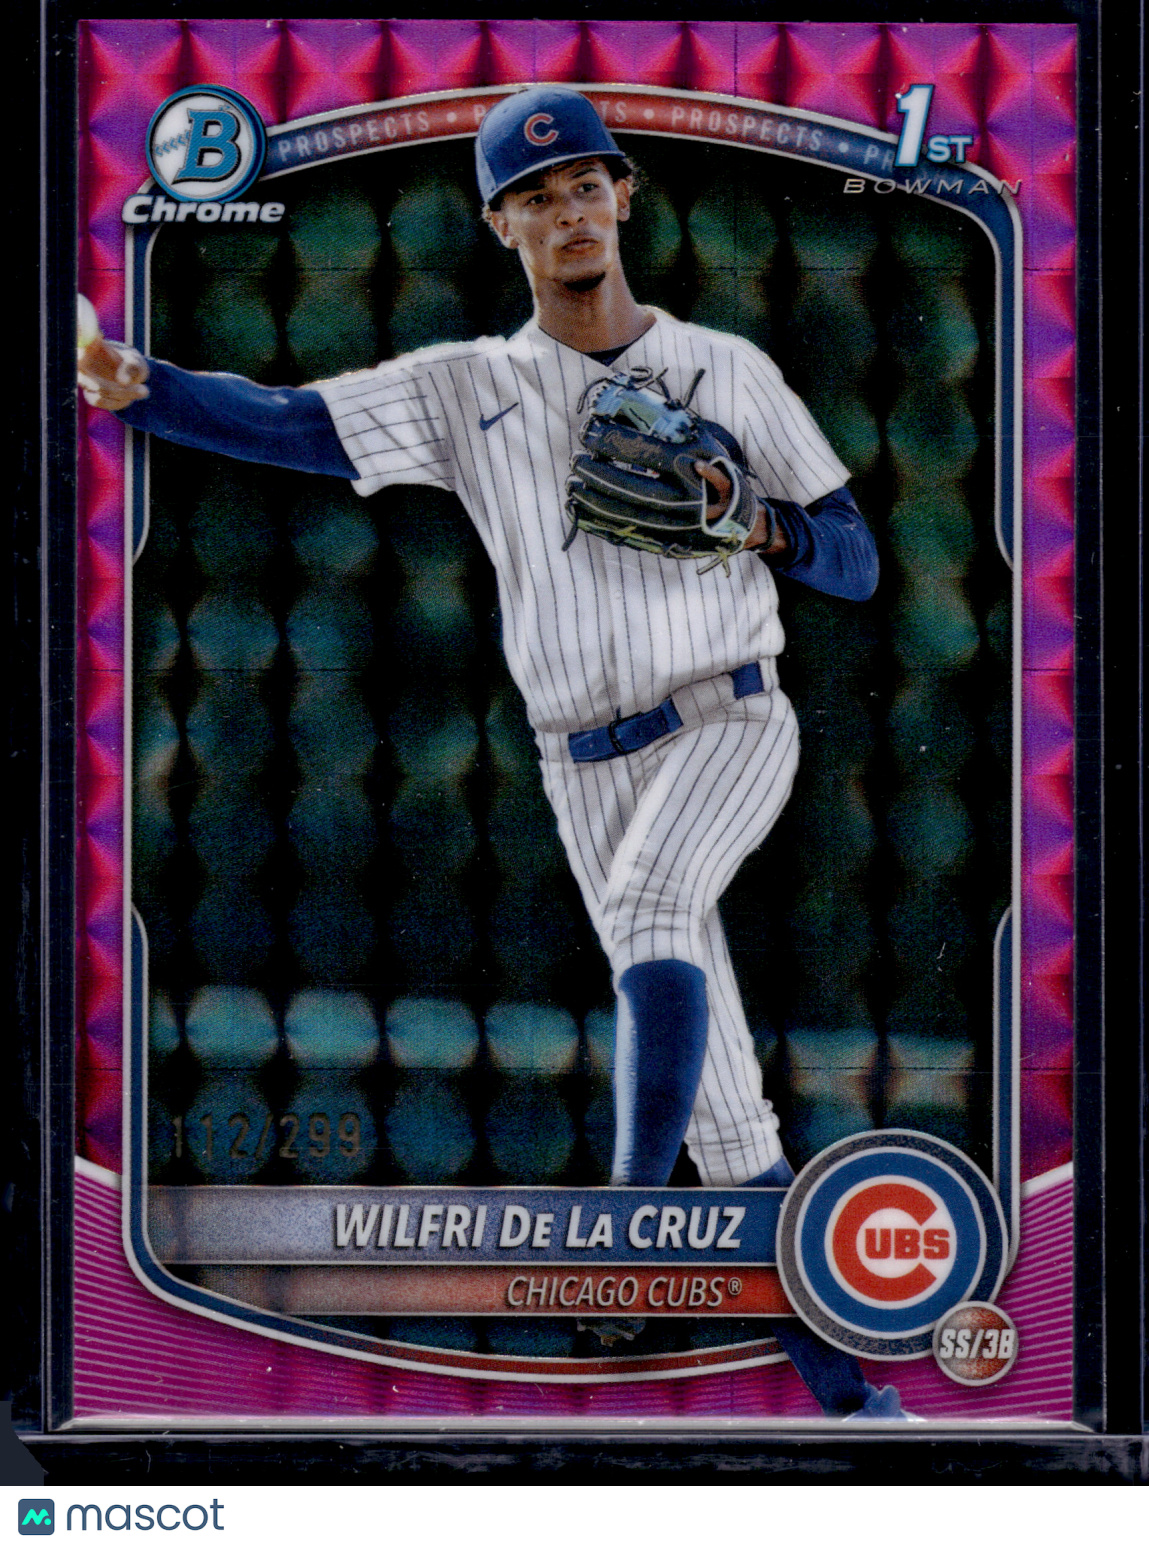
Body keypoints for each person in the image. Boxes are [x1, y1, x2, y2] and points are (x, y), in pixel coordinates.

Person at [80, 85, 909, 1418]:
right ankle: (862, 1410)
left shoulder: (727, 367)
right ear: (498, 225)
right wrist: (136, 385)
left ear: (624, 196)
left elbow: (858, 564)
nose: (567, 211)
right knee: (727, 1125)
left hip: (732, 716)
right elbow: (289, 421)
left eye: (585, 183)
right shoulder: (469, 386)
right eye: (534, 195)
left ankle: (625, 1241)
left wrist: (759, 523)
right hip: (580, 765)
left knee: (655, 907)